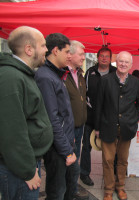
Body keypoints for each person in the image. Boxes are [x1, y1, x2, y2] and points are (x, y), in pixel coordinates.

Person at [0, 26, 53, 199]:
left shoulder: (22, 74)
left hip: (24, 163)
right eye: (43, 45)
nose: (47, 49)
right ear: (29, 49)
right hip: (17, 169)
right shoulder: (11, 77)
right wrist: (28, 172)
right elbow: (12, 132)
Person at [35, 33, 79, 200]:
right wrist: (67, 151)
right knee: (56, 191)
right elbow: (52, 119)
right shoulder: (45, 77)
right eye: (67, 52)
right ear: (55, 50)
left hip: (65, 142)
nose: (70, 55)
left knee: (69, 185)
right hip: (58, 148)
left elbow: (63, 113)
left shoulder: (55, 74)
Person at [95, 51, 139, 200]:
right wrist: (97, 127)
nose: (123, 64)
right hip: (108, 125)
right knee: (108, 160)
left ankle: (120, 187)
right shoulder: (105, 80)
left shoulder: (136, 82)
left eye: (126, 62)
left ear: (130, 65)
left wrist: (133, 118)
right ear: (116, 62)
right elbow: (99, 105)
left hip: (126, 127)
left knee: (123, 160)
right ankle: (108, 190)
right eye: (121, 61)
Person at [80, 47, 117, 186]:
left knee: (112, 147)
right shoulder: (90, 72)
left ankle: (113, 174)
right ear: (97, 57)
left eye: (107, 56)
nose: (104, 58)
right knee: (86, 146)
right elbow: (84, 92)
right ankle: (84, 173)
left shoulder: (115, 73)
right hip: (91, 116)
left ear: (110, 59)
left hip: (109, 118)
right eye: (101, 56)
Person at [64, 40, 87, 160]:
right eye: (81, 54)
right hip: (67, 128)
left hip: (79, 125)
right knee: (66, 160)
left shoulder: (79, 74)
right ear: (70, 55)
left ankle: (73, 178)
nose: (83, 58)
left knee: (75, 158)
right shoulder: (61, 74)